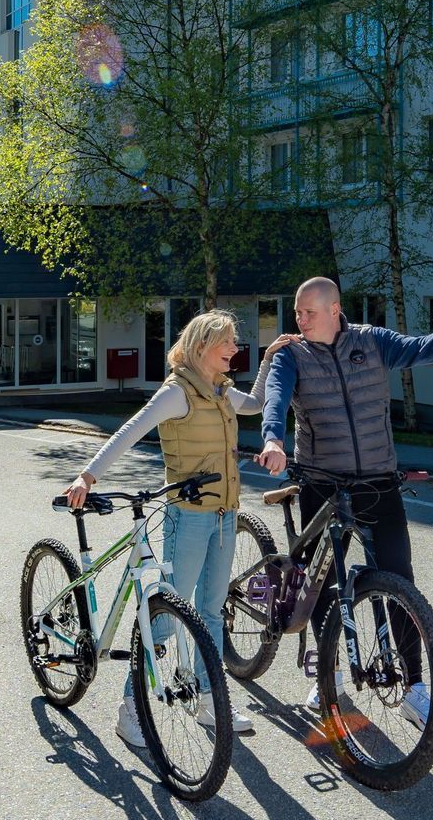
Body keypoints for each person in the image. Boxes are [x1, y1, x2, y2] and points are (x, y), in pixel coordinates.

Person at [255, 277, 433, 729]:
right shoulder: (292, 354)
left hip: (378, 482)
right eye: (297, 312)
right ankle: (327, 675)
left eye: (307, 311)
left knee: (399, 582)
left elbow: (419, 348)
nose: (299, 320)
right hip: (322, 482)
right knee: (320, 581)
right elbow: (276, 399)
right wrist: (273, 439)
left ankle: (415, 687)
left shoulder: (372, 341)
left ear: (334, 309)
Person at [64, 310, 293, 749]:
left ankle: (208, 700)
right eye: (227, 343)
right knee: (167, 617)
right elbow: (129, 432)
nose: (234, 351)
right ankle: (131, 708)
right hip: (188, 517)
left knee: (211, 611)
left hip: (225, 516)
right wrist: (87, 476)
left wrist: (270, 360)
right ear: (204, 347)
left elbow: (259, 402)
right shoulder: (178, 393)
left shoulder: (222, 391)